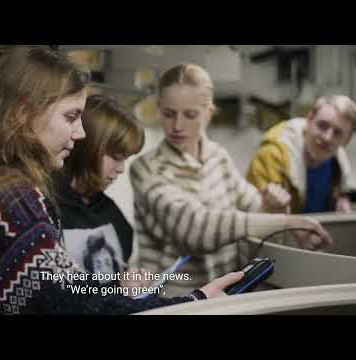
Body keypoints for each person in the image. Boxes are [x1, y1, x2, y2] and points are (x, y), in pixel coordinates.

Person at [0, 46, 244, 315]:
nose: (80, 133)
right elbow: (68, 305)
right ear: (24, 112)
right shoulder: (6, 198)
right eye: (70, 117)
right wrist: (194, 302)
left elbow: (60, 289)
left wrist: (116, 287)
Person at [129, 63, 333, 297]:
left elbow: (252, 207)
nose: (177, 125)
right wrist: (286, 221)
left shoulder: (218, 157)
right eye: (169, 113)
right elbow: (196, 230)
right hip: (173, 302)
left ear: (209, 113)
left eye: (190, 115)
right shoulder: (145, 169)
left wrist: (270, 206)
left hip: (225, 299)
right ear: (159, 109)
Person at [58, 94, 150, 295]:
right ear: (87, 147)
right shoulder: (46, 208)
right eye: (116, 157)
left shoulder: (114, 216)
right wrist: (116, 289)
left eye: (125, 158)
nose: (121, 169)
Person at [247, 95, 356, 214]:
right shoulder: (272, 155)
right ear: (309, 120)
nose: (327, 137)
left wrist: (341, 201)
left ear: (347, 140)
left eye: (338, 133)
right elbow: (254, 216)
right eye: (322, 126)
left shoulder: (338, 162)